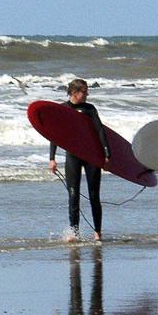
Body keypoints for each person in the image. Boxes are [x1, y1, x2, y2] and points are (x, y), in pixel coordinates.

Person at [48, 78, 110, 241]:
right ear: (74, 93)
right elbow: (55, 135)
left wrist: (106, 153)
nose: (87, 94)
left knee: (94, 195)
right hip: (73, 156)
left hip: (91, 156)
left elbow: (100, 130)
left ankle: (97, 232)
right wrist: (52, 158)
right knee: (73, 195)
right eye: (85, 91)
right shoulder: (63, 109)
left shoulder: (90, 109)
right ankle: (74, 233)